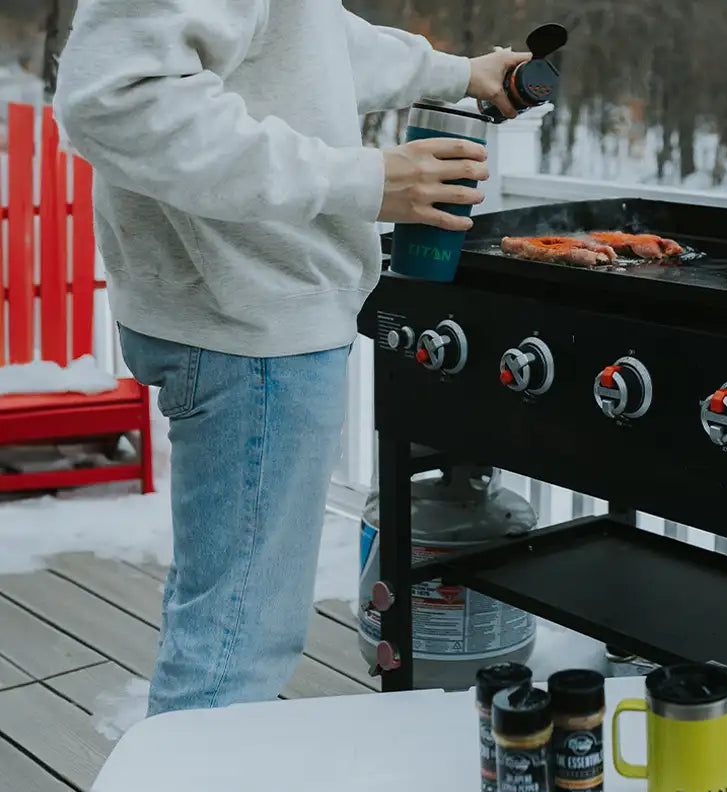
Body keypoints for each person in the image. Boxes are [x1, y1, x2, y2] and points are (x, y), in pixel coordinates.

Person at [54, 1, 529, 717]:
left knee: (223, 608)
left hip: (238, 303)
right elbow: (116, 98)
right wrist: (362, 180)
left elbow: (307, 42)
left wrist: (460, 73)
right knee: (235, 645)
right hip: (248, 312)